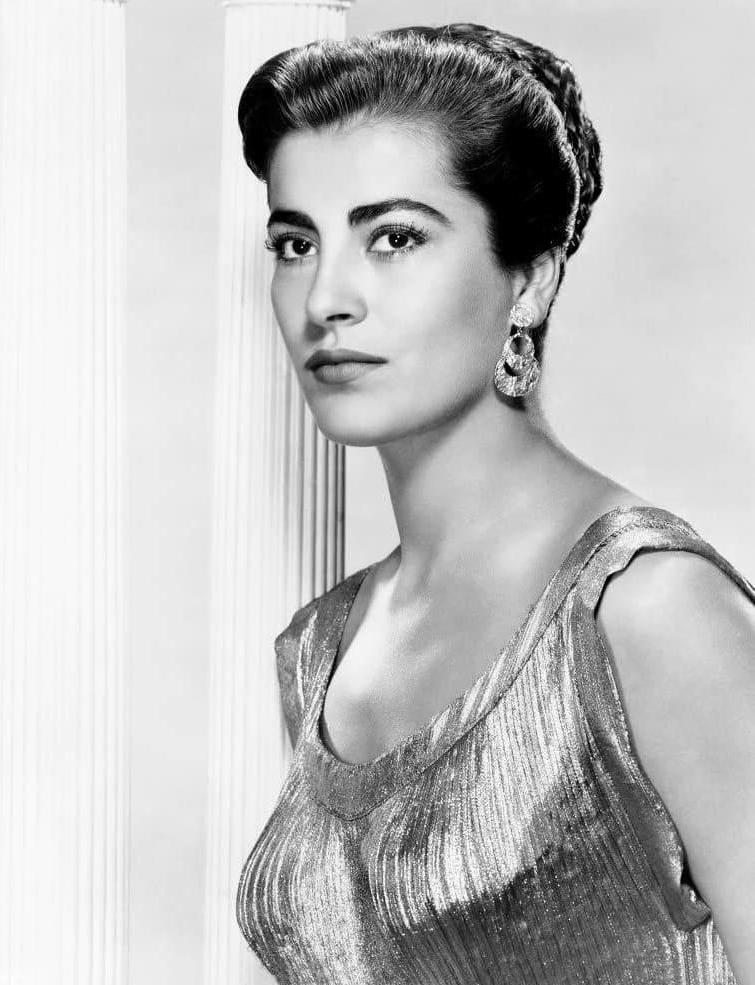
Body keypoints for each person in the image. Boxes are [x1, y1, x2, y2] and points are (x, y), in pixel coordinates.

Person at [234, 23, 755, 985]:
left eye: (394, 238)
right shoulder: (318, 648)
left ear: (531, 280)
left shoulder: (648, 610)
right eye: (296, 243)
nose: (326, 297)